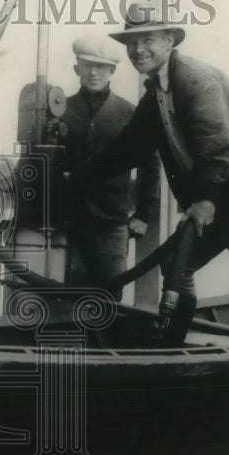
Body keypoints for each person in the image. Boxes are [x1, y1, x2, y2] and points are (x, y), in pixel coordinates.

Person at [88, 4, 229, 344]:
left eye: (147, 39)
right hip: (213, 197)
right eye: (131, 43)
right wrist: (78, 174)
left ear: (170, 39)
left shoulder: (197, 79)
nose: (138, 50)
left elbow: (217, 144)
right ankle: (172, 345)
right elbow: (129, 149)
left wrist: (204, 200)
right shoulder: (156, 93)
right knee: (177, 265)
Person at [60, 35, 160, 301]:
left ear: (112, 71)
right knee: (69, 297)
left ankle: (106, 343)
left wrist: (143, 214)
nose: (93, 72)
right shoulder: (60, 111)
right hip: (69, 224)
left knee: (109, 299)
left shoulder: (129, 113)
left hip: (112, 225)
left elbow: (151, 164)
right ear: (76, 68)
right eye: (87, 65)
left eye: (101, 67)